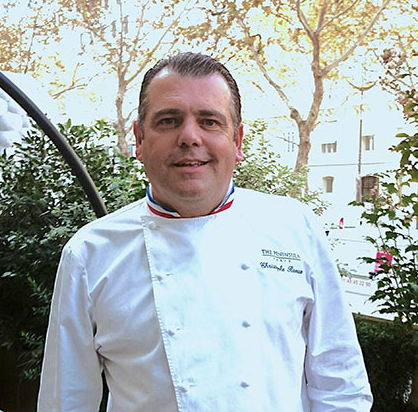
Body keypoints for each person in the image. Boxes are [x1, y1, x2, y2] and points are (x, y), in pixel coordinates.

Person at [38, 52, 373, 411]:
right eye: (168, 120)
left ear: (237, 141)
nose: (189, 137)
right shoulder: (90, 254)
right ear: (139, 139)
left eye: (209, 121)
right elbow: (66, 402)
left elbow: (341, 385)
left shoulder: (295, 228)